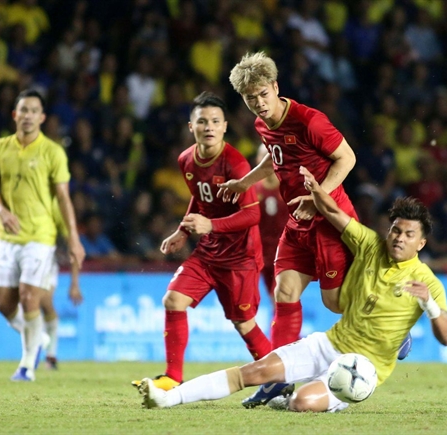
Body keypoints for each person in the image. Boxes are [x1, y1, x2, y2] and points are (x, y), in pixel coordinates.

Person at [139, 168, 447, 413]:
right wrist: (316, 191)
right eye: (395, 230)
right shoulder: (370, 244)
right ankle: (168, 398)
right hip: (328, 343)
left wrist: (430, 306)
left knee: (302, 402)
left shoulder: (428, 283)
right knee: (255, 372)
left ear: (421, 243)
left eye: (408, 234)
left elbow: (446, 337)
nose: (399, 237)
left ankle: (306, 395)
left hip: (360, 369)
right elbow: (334, 214)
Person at [218, 51, 358, 404]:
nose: (259, 104)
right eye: (251, 100)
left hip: (329, 219)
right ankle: (279, 378)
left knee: (335, 303)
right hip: (299, 220)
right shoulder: (262, 125)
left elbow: (347, 158)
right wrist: (243, 182)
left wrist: (318, 198)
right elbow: (273, 157)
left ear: (275, 87)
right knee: (284, 291)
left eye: (263, 95)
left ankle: (391, 322)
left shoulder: (309, 121)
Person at [132, 91, 272, 391]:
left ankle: (277, 380)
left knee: (244, 324)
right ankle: (172, 377)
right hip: (208, 253)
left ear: (224, 127)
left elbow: (252, 215)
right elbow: (199, 199)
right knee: (173, 300)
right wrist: (183, 231)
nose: (209, 127)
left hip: (240, 257)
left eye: (215, 121)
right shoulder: (186, 160)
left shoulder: (235, 164)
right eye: (202, 121)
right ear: (190, 126)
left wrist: (211, 225)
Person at [0, 89, 85, 382]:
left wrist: (75, 238)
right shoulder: (0, 147)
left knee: (31, 298)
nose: (27, 116)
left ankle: (27, 365)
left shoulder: (53, 152)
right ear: (15, 115)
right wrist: (1, 211)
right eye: (23, 110)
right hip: (7, 237)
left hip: (40, 237)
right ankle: (36, 336)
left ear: (41, 117)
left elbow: (64, 199)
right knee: (4, 304)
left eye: (33, 111)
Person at [0, 197, 84, 370]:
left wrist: (75, 283)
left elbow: (73, 245)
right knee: (7, 305)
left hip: (43, 257)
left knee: (43, 302)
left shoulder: (55, 204)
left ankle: (51, 355)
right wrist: (5, 250)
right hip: (14, 257)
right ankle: (39, 339)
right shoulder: (14, 196)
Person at [253, 144, 287, 301]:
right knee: (271, 296)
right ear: (257, 160)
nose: (268, 161)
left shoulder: (289, 188)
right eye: (263, 157)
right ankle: (280, 324)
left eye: (271, 157)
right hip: (260, 253)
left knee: (280, 295)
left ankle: (284, 324)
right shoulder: (251, 190)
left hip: (285, 251)